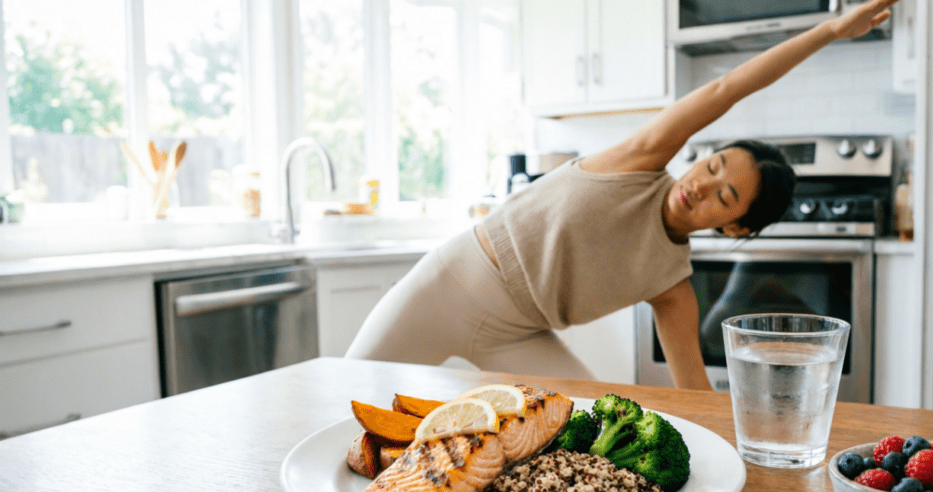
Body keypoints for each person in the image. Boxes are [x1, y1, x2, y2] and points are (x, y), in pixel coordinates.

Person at [346, 0, 900, 391]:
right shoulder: (643, 157)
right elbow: (731, 87)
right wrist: (830, 31)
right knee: (340, 395)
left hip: (520, 333)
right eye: (711, 166)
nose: (700, 186)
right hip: (453, 284)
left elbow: (692, 395)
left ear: (732, 228)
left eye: (723, 197)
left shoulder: (673, 288)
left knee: (591, 427)